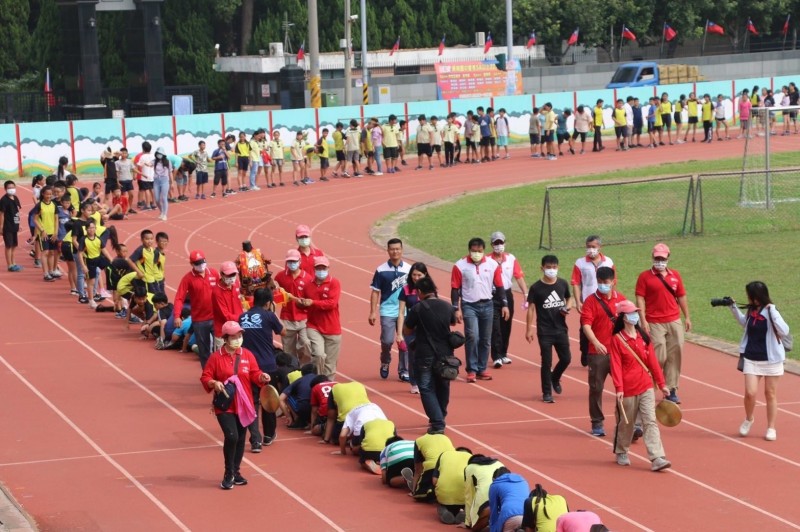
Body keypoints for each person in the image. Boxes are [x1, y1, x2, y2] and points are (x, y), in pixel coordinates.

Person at [200, 321, 271, 489]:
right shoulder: (216, 357)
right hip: (225, 405)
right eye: (234, 337)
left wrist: (262, 377)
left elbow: (255, 373)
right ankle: (228, 473)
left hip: (244, 404)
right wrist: (213, 382)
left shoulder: (247, 355)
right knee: (231, 436)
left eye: (239, 336)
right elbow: (205, 377)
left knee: (240, 439)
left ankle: (236, 472)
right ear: (225, 338)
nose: (238, 339)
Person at [609, 300, 672, 472]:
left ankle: (657, 457)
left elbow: (653, 361)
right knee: (626, 423)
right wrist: (619, 388)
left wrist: (662, 384)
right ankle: (621, 450)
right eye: (631, 313)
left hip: (645, 385)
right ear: (623, 317)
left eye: (635, 312)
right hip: (628, 388)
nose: (635, 315)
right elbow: (615, 365)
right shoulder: (617, 340)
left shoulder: (643, 336)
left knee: (650, 421)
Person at [728, 282, 790, 441]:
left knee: (770, 393)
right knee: (750, 393)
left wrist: (773, 311)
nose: (747, 297)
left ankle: (771, 427)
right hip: (751, 357)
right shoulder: (751, 309)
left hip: (771, 359)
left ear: (756, 296)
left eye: (749, 294)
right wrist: (733, 307)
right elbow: (745, 324)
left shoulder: (771, 311)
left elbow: (784, 331)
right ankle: (749, 419)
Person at [635, 243, 691, 404]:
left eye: (662, 258)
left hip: (673, 319)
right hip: (654, 321)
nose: (659, 261)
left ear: (668, 258)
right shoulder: (644, 277)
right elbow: (640, 298)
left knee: (676, 353)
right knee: (658, 355)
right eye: (657, 258)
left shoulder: (675, 276)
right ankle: (650, 386)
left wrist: (687, 317)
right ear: (652, 258)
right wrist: (643, 319)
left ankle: (672, 388)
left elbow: (681, 296)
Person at [451, 237, 509, 382]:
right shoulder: (460, 265)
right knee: (472, 336)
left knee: (485, 339)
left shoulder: (492, 264)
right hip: (469, 305)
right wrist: (456, 308)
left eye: (479, 251)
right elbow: (455, 288)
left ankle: (482, 368)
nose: (476, 253)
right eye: (473, 251)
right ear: (469, 251)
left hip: (488, 304)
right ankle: (471, 369)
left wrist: (505, 305)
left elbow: (500, 286)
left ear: (484, 251)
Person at [403, 276, 455, 434]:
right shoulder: (447, 306)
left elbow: (407, 330)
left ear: (419, 292)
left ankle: (438, 422)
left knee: (426, 387)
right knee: (443, 384)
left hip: (424, 353)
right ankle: (441, 415)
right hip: (445, 353)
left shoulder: (418, 308)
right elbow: (452, 322)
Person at [580, 267, 625, 437]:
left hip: (618, 353)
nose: (602, 286)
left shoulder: (621, 300)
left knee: (625, 388)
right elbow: (586, 325)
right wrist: (596, 342)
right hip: (597, 353)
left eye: (605, 283)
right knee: (596, 388)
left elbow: (629, 324)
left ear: (614, 281)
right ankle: (597, 422)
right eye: (599, 282)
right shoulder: (591, 301)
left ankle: (627, 422)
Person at [239, 286, 284, 450]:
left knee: (252, 403)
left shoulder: (242, 317)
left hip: (248, 366)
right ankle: (268, 434)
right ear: (268, 302)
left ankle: (255, 439)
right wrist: (274, 313)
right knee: (269, 401)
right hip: (267, 365)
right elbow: (283, 332)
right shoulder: (269, 315)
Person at [526, 255, 573, 403]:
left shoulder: (563, 284)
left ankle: (555, 377)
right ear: (542, 268)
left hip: (560, 329)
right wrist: (528, 329)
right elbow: (531, 309)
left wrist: (567, 307)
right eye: (548, 267)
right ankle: (546, 392)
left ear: (558, 268)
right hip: (544, 331)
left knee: (566, 359)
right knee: (546, 362)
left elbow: (569, 298)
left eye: (554, 267)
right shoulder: (536, 288)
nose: (551, 270)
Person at [369, 238, 411, 380]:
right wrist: (373, 312)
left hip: (405, 311)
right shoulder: (381, 270)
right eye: (392, 249)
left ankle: (404, 370)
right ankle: (385, 361)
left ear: (402, 250)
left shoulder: (409, 270)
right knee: (387, 341)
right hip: (387, 310)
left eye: (397, 249)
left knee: (404, 343)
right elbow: (375, 292)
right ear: (388, 250)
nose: (395, 251)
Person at [572, 235, 615, 366]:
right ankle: (585, 352)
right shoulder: (580, 263)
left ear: (600, 247)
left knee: (604, 328)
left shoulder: (609, 262)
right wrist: (578, 301)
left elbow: (613, 281)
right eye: (588, 247)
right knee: (585, 329)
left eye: (593, 247)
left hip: (604, 302)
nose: (591, 249)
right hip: (588, 302)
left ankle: (605, 353)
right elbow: (576, 283)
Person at [174, 250, 220, 367]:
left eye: (202, 262)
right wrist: (177, 316)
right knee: (204, 352)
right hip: (200, 320)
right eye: (197, 263)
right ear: (191, 264)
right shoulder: (188, 279)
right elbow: (179, 297)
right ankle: (207, 376)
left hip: (216, 318)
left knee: (220, 348)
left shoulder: (214, 273)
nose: (201, 265)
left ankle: (221, 374)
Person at [488, 231, 527, 369]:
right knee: (495, 326)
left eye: (501, 242)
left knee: (506, 324)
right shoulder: (487, 259)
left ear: (505, 243)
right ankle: (496, 356)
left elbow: (519, 276)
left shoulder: (511, 258)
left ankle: (503, 353)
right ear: (492, 245)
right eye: (496, 243)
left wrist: (525, 293)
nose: (499, 246)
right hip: (492, 295)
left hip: (507, 293)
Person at [298, 255, 341, 379]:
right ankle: (315, 380)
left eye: (323, 268)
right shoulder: (307, 285)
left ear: (328, 268)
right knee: (318, 355)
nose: (321, 271)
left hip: (332, 328)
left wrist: (312, 302)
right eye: (318, 268)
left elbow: (331, 304)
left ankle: (326, 387)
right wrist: (300, 303)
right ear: (314, 269)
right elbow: (303, 305)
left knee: (330, 364)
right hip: (314, 326)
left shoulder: (334, 283)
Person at [397, 262, 432, 394]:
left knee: (427, 355)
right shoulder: (406, 289)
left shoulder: (430, 290)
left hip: (426, 327)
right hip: (411, 327)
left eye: (419, 275)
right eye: (414, 275)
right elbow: (400, 312)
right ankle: (414, 382)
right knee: (413, 355)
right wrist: (399, 333)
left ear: (425, 275)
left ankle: (427, 379)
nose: (416, 278)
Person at [274, 248, 312, 362]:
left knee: (306, 344)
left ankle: (304, 369)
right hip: (287, 318)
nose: (292, 264)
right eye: (289, 262)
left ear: (300, 261)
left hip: (304, 318)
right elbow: (274, 291)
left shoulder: (308, 278)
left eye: (294, 261)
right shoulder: (280, 276)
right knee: (288, 351)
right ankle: (292, 372)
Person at [402, 433, 455, 501]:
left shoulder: (419, 441)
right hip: (452, 469)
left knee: (420, 494)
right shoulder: (446, 438)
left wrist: (413, 491)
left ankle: (433, 491)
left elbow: (418, 470)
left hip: (432, 470)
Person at [463, 455, 505, 531]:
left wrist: (468, 523)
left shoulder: (469, 468)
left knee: (475, 527)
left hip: (485, 503)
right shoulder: (499, 463)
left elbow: (469, 496)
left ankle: (487, 521)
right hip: (503, 500)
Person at [432, 447, 472, 524]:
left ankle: (443, 509)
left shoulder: (444, 455)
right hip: (464, 497)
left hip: (444, 495)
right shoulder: (471, 458)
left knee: (441, 497)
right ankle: (465, 511)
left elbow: (434, 481)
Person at [212, 261, 244, 349]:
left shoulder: (236, 283)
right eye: (229, 275)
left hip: (237, 329)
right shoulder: (217, 292)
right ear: (221, 275)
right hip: (223, 333)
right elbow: (225, 315)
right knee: (223, 358)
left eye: (233, 274)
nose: (232, 278)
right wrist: (243, 317)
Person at [488, 467, 529, 532]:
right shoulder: (523, 481)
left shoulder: (495, 484)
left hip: (509, 515)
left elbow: (494, 513)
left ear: (494, 479)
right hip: (527, 516)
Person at [0, 181, 22, 272]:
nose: (11, 189)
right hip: (7, 226)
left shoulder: (16, 198)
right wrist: (1, 227)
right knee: (8, 245)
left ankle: (14, 263)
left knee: (14, 245)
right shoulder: (3, 200)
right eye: (9, 188)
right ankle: (9, 265)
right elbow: (1, 214)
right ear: (5, 189)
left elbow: (17, 211)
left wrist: (19, 224)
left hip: (14, 225)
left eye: (13, 187)